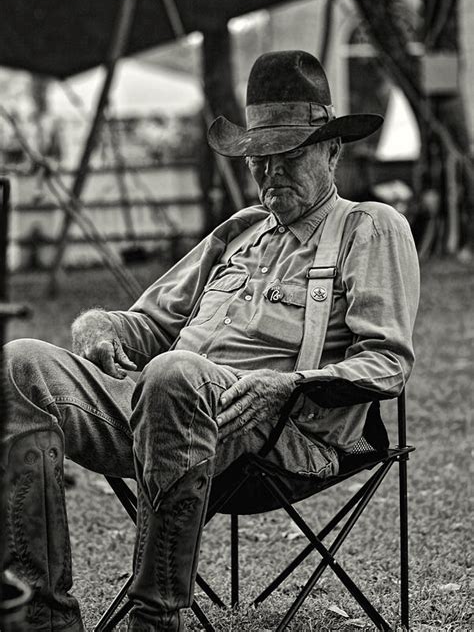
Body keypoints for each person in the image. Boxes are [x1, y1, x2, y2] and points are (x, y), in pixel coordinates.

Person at [3, 50, 420, 632]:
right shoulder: (239, 231)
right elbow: (148, 325)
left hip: (275, 432)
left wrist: (287, 387)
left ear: (332, 150)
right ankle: (41, 617)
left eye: (289, 154)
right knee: (18, 364)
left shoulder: (368, 227)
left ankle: (156, 619)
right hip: (161, 415)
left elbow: (387, 364)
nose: (272, 172)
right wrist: (99, 321)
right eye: (259, 158)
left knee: (174, 374)